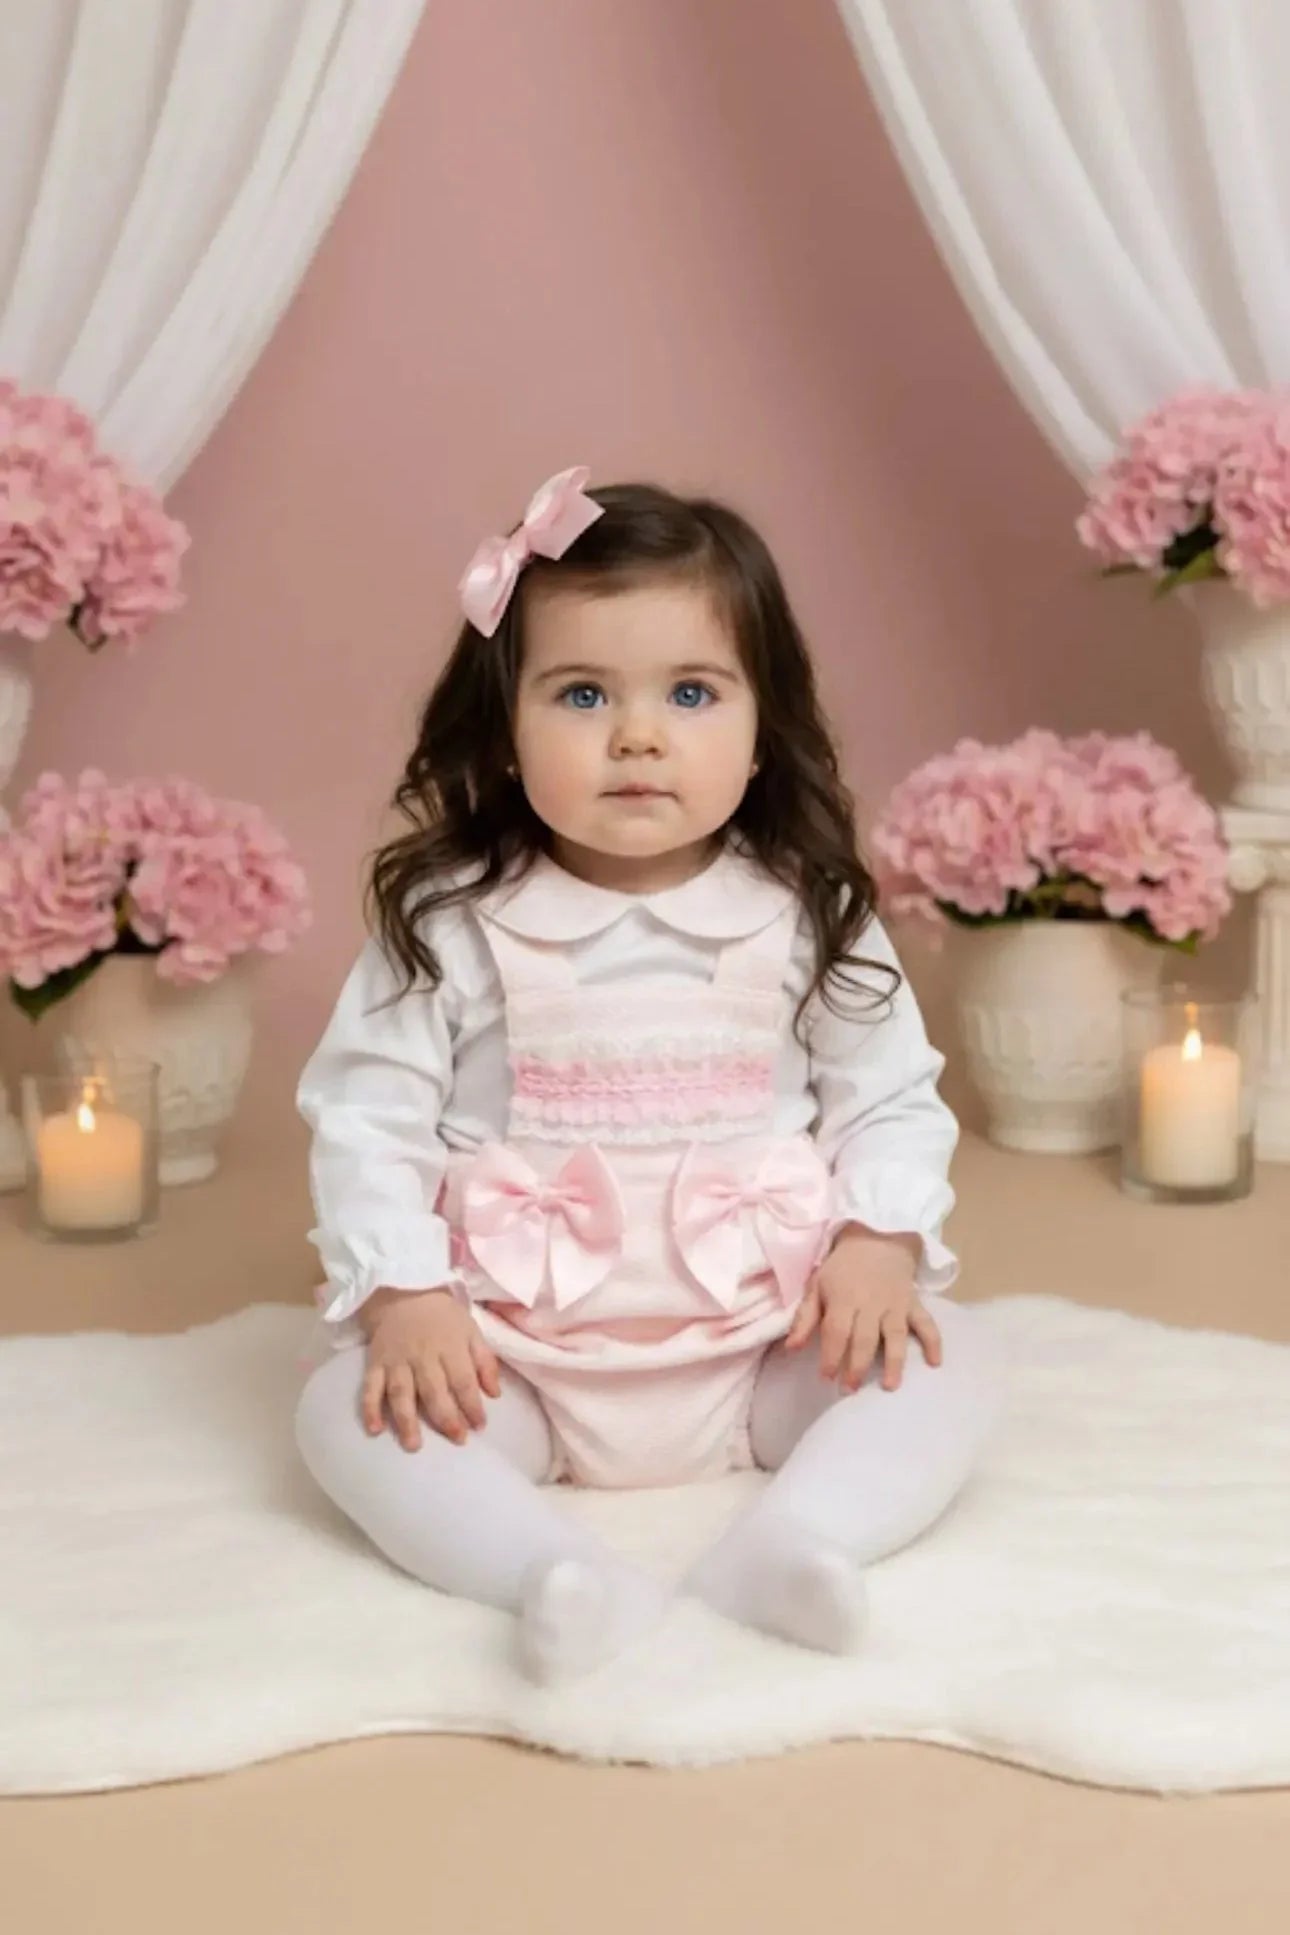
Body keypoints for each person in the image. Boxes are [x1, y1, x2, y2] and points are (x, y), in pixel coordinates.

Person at [294, 466, 1004, 1684]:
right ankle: (547, 1573)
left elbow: (888, 1093)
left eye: (690, 692)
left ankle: (797, 1541)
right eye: (581, 693)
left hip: (762, 1337)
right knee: (342, 1417)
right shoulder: (456, 919)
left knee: (953, 1365)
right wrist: (410, 1301)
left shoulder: (804, 909)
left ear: (760, 724)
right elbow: (368, 1120)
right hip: (513, 1353)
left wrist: (876, 1244)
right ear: (504, 732)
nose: (638, 735)